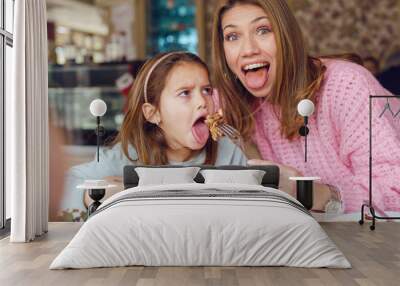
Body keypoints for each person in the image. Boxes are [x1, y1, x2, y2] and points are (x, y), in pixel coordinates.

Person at [211, 0, 400, 214]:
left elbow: (395, 192)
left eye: (263, 30)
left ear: (287, 37)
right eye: (232, 37)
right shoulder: (233, 102)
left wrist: (309, 193)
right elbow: (181, 104)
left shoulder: (347, 85)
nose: (248, 50)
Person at [62, 52, 247, 216]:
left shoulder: (229, 154)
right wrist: (92, 195)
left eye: (206, 90)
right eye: (185, 93)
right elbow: (66, 185)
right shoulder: (126, 157)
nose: (203, 101)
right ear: (153, 113)